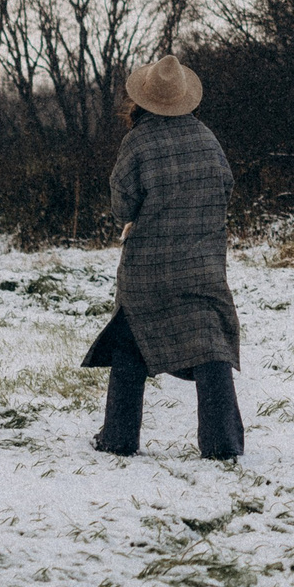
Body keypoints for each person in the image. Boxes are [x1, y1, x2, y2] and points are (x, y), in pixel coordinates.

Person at [82, 55, 243, 459]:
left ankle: (117, 439)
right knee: (211, 347)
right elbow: (225, 188)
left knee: (130, 344)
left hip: (148, 272)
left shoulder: (137, 142)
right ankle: (222, 444)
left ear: (142, 99)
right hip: (202, 268)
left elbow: (123, 208)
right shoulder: (208, 139)